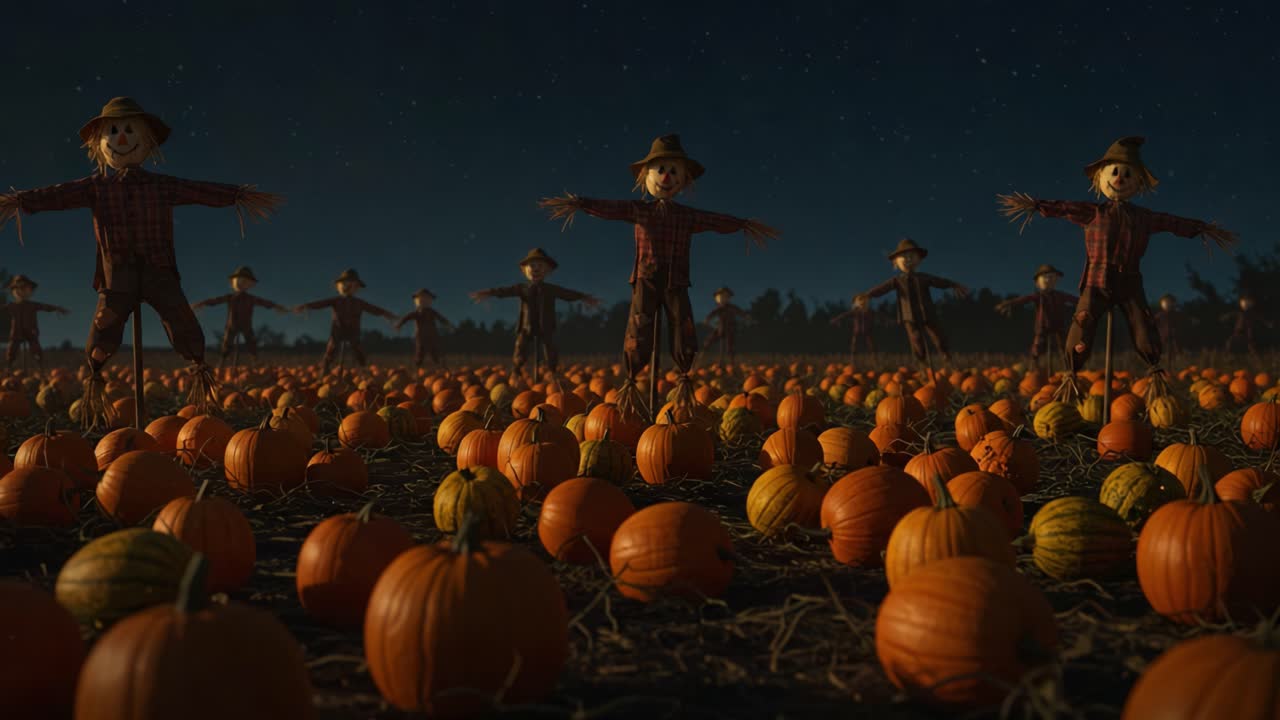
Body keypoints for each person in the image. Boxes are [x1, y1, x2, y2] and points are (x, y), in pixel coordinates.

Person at [0, 97, 282, 426]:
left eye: (130, 130)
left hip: (159, 273)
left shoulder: (162, 186)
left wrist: (235, 195)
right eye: (113, 131)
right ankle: (95, 381)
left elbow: (198, 190)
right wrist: (21, 201)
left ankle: (200, 375)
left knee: (182, 321)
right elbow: (58, 194)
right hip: (116, 279)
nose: (121, 138)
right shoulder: (95, 188)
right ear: (98, 143)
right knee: (104, 328)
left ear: (148, 140)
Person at [538, 134, 779, 410]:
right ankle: (631, 380)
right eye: (661, 169)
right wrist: (581, 203)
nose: (666, 177)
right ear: (646, 176)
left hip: (677, 281)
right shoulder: (639, 210)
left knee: (683, 326)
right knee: (639, 326)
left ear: (685, 179)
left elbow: (713, 220)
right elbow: (611, 208)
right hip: (647, 280)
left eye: (674, 171)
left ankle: (684, 377)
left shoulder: (687, 216)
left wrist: (742, 224)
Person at [997, 136, 1236, 386]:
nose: (1120, 178)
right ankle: (1071, 375)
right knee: (1082, 324)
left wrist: (1200, 228)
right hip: (1096, 282)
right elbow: (1066, 208)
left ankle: (1155, 373)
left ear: (1139, 182)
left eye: (1127, 174)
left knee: (1143, 325)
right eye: (1114, 172)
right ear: (1100, 178)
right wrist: (1037, 206)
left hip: (1130, 283)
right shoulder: (1094, 212)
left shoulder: (1143, 217)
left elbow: (1170, 222)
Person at [470, 248, 599, 380]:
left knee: (550, 348)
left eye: (540, 266)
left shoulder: (550, 289)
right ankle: (517, 370)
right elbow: (505, 291)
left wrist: (582, 297)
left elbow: (566, 293)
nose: (536, 269)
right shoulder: (522, 288)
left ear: (547, 270)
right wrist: (490, 292)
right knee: (520, 346)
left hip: (545, 326)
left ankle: (552, 371)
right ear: (525, 270)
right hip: (527, 326)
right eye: (532, 266)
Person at [856, 238, 969, 369]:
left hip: (927, 312)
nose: (908, 259)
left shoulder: (924, 277)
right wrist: (868, 294)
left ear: (919, 259)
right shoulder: (897, 280)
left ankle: (946, 356)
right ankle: (922, 363)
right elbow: (882, 288)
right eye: (904, 256)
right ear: (896, 262)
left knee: (937, 336)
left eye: (912, 256)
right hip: (909, 315)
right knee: (916, 339)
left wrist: (952, 284)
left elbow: (938, 281)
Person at [294, 269, 397, 374]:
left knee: (357, 348)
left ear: (356, 287)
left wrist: (386, 314)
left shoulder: (359, 303)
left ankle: (363, 368)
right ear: (338, 286)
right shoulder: (336, 301)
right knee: (332, 347)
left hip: (353, 330)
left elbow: (373, 309)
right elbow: (321, 303)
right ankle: (325, 368)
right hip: (338, 329)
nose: (347, 287)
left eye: (352, 285)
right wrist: (307, 306)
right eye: (345, 284)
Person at [190, 266, 288, 366]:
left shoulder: (250, 299)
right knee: (227, 344)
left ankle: (255, 361)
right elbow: (216, 300)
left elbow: (264, 302)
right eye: (239, 281)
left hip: (246, 325)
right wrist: (202, 303)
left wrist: (277, 306)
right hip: (232, 324)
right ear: (233, 283)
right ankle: (222, 363)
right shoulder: (231, 297)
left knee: (251, 343)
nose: (242, 283)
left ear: (250, 284)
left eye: (245, 282)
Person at [995, 264, 1078, 370]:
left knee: (1064, 347)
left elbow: (1074, 300)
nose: (1048, 280)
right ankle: (1035, 369)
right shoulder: (1038, 296)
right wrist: (1009, 303)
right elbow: (1024, 299)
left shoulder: (1060, 295)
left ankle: (1069, 369)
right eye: (1045, 277)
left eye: (1051, 277)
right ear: (1038, 282)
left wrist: (1087, 303)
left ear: (1056, 279)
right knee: (1037, 347)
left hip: (1058, 325)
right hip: (1042, 326)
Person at [0, 275, 69, 370]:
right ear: (13, 291)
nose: (21, 291)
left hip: (31, 331)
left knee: (36, 348)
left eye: (24, 288)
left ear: (30, 290)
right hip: (16, 331)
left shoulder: (32, 305)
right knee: (12, 349)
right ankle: (9, 367)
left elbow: (45, 307)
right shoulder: (12, 306)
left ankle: (40, 368)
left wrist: (57, 308)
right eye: (18, 289)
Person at [395, 288, 453, 370]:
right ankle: (418, 368)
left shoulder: (432, 312)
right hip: (421, 337)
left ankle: (438, 367)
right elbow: (406, 318)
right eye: (422, 299)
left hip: (432, 336)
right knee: (420, 352)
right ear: (417, 301)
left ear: (430, 300)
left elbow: (441, 318)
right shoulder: (417, 313)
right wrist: (399, 325)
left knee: (434, 351)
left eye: (427, 299)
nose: (424, 301)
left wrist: (448, 325)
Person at [701, 286, 751, 364]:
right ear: (717, 299)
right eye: (720, 297)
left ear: (728, 298)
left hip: (730, 329)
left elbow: (739, 311)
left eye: (725, 297)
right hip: (720, 329)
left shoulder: (732, 307)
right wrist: (707, 319)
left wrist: (746, 316)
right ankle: (709, 357)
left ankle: (731, 362)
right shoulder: (719, 309)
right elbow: (712, 314)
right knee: (711, 341)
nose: (722, 299)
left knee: (729, 346)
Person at [829, 294, 876, 360]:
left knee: (871, 345)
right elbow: (844, 315)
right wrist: (836, 319)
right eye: (861, 302)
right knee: (854, 345)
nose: (862, 303)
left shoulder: (869, 312)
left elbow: (879, 315)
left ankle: (874, 358)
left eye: (864, 301)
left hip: (866, 331)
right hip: (857, 331)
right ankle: (852, 359)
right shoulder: (855, 312)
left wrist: (888, 320)